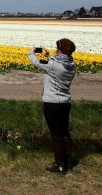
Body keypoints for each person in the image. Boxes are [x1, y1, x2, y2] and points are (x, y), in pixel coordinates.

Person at [28, 38, 77, 173]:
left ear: (59, 50)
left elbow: (36, 62)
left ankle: (60, 165)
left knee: (56, 134)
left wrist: (32, 52)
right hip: (65, 103)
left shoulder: (53, 65)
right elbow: (58, 64)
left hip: (52, 103)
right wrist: (49, 56)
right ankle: (68, 159)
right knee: (64, 131)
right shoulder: (72, 65)